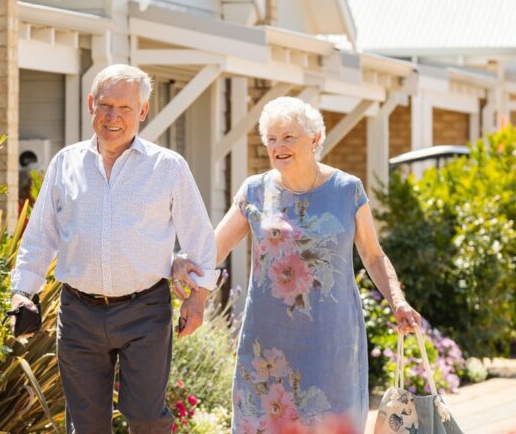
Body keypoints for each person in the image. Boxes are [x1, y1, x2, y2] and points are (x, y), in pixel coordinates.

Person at [173, 96, 421, 434]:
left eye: (289, 137)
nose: (278, 146)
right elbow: (212, 250)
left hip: (331, 339)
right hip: (268, 341)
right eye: (271, 139)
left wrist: (398, 301)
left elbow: (373, 255)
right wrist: (187, 281)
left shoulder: (347, 190)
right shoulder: (255, 191)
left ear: (315, 139)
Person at [10, 64, 220, 434]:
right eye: (106, 105)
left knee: (145, 417)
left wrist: (197, 299)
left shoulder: (167, 167)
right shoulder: (66, 163)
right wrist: (24, 293)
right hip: (79, 313)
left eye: (125, 108)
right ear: (91, 104)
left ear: (142, 111)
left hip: (145, 311)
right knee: (86, 426)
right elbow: (41, 235)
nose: (113, 117)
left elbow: (200, 239)